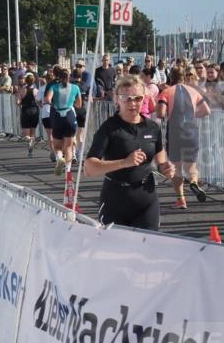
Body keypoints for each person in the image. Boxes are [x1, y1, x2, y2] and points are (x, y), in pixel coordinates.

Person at [85, 76, 175, 231]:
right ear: (117, 100)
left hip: (146, 200)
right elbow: (89, 168)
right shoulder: (109, 128)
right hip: (115, 200)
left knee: (146, 251)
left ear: (145, 98)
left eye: (138, 98)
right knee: (116, 253)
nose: (133, 103)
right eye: (126, 98)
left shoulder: (152, 127)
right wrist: (124, 162)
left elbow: (160, 159)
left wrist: (166, 168)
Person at [156, 65, 212, 209]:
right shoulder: (194, 91)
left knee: (176, 167)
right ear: (184, 77)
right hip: (191, 131)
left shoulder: (166, 92)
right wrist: (193, 115)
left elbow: (161, 113)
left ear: (171, 78)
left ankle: (181, 200)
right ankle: (193, 182)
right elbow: (207, 111)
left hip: (175, 132)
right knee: (191, 165)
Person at [45, 66, 82, 175]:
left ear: (59, 77)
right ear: (69, 77)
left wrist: (53, 104)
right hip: (70, 116)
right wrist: (71, 103)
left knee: (57, 146)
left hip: (57, 116)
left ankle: (59, 158)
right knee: (69, 147)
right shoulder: (75, 88)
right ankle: (68, 170)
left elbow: (47, 99)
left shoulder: (54, 87)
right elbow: (79, 105)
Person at [18, 74, 40, 156]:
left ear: (25, 81)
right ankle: (31, 151)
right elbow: (38, 101)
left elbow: (18, 102)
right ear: (33, 81)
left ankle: (29, 142)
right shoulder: (36, 90)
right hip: (34, 111)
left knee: (25, 135)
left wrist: (19, 100)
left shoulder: (22, 90)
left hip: (26, 111)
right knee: (33, 132)